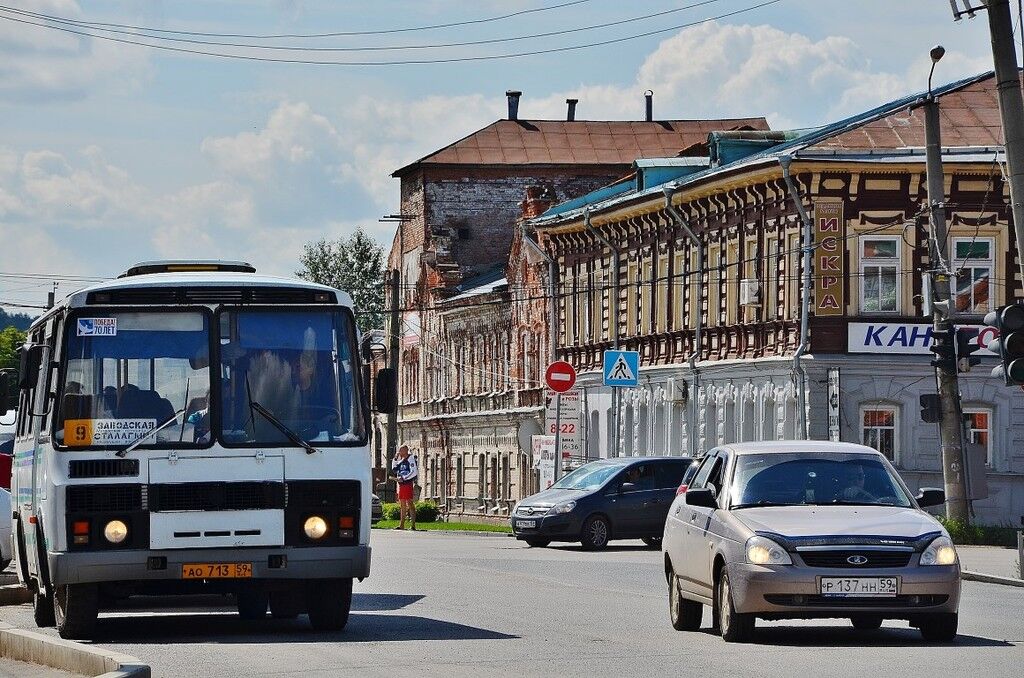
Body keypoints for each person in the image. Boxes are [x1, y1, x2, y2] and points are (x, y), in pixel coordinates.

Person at [391, 445, 418, 530]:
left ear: (405, 451)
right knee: (402, 504)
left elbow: (414, 472)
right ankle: (401, 525)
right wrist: (395, 459)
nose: (399, 453)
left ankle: (413, 524)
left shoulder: (410, 459)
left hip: (407, 484)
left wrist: (404, 478)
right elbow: (394, 469)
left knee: (409, 503)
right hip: (401, 485)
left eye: (400, 451)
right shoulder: (401, 460)